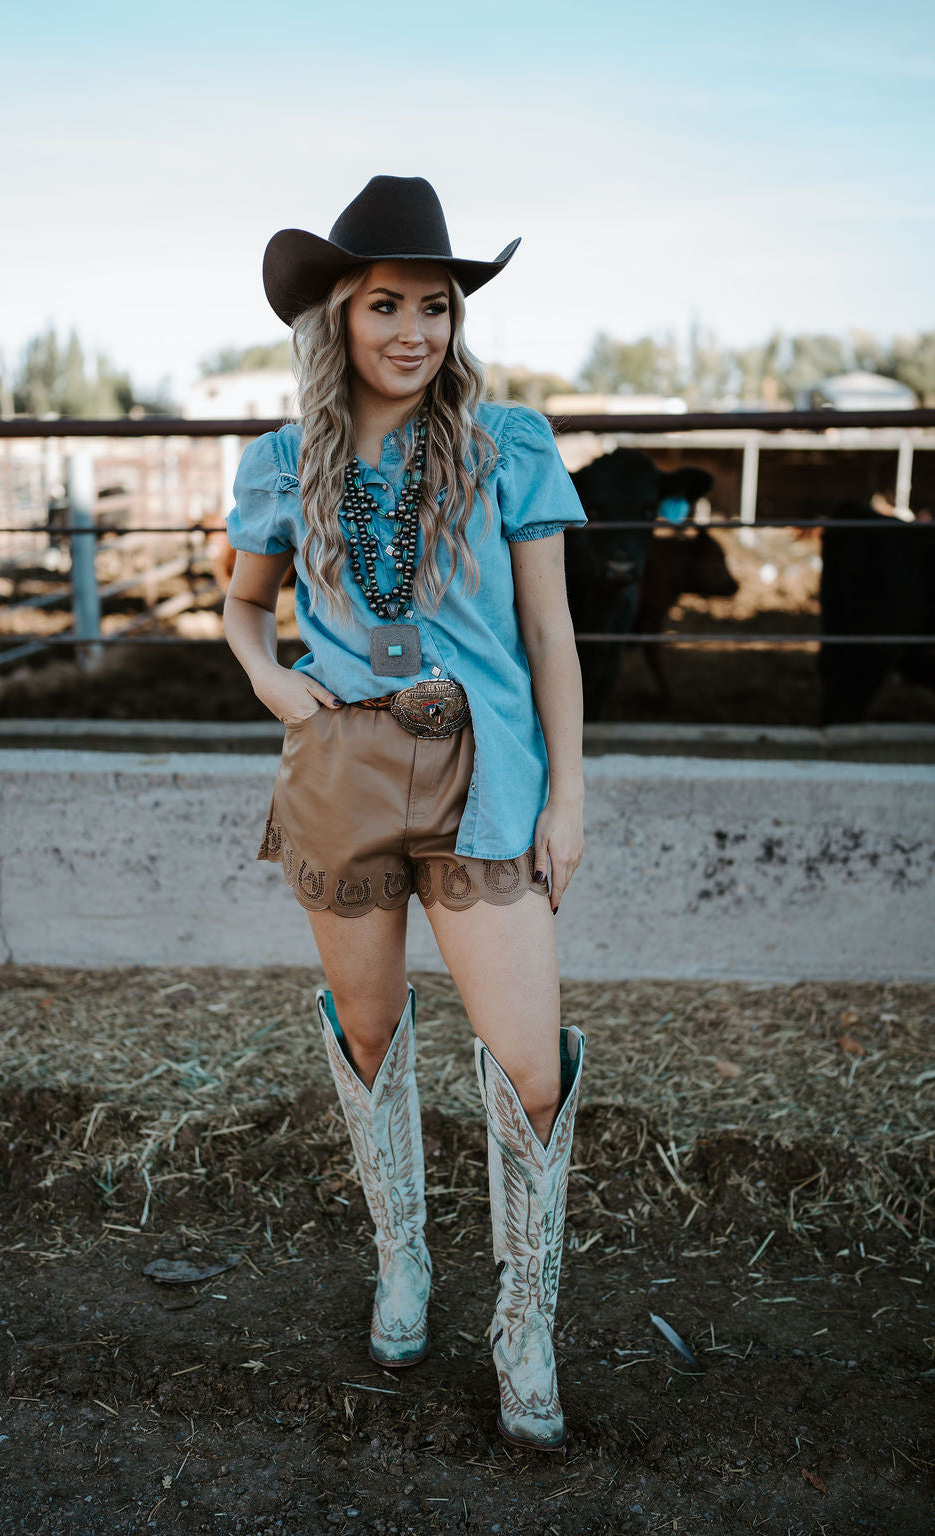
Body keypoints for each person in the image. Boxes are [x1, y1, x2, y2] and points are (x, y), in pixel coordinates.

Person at [224, 175, 587, 1451]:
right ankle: (405, 1259)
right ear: (339, 316)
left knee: (530, 1067)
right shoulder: (280, 462)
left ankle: (524, 1318)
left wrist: (570, 792)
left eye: (434, 306)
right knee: (371, 1035)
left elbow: (548, 631)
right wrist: (280, 686)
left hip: (488, 781)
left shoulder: (511, 445)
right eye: (386, 304)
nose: (413, 331)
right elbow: (244, 609)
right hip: (341, 780)